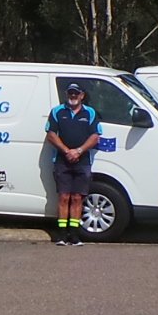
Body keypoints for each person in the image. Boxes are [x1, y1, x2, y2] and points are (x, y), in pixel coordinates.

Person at [45, 81, 102, 246]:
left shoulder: (90, 113)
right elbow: (51, 134)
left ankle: (74, 235)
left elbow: (95, 136)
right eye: (70, 93)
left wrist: (78, 151)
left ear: (82, 96)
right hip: (62, 161)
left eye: (76, 93)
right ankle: (62, 234)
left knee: (77, 198)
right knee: (63, 197)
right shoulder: (57, 112)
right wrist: (66, 150)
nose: (73, 96)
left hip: (82, 161)